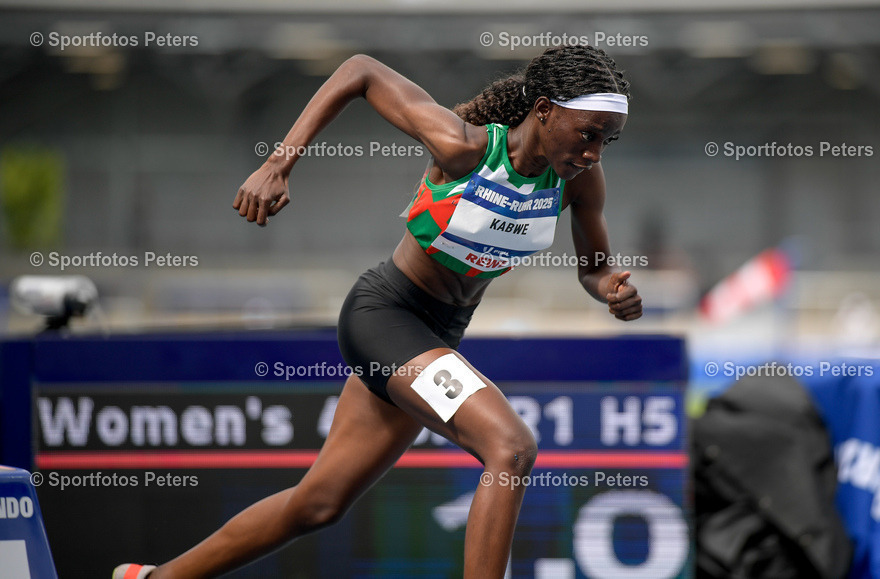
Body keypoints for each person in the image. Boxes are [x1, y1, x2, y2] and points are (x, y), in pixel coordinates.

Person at [114, 45, 643, 579]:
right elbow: (360, 70)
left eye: (607, 140)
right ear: (545, 110)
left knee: (318, 504)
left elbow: (594, 268)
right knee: (511, 446)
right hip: (386, 316)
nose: (595, 153)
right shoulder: (463, 148)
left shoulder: (578, 182)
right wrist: (278, 164)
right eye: (588, 133)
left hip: (435, 339)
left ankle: (153, 578)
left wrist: (610, 290)